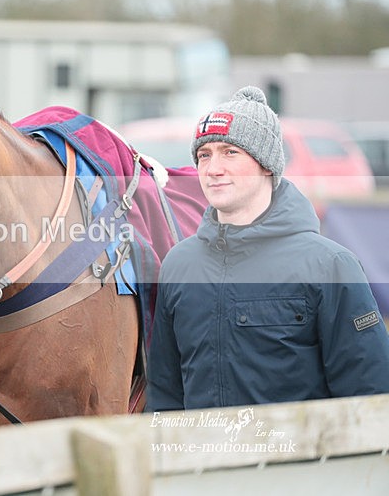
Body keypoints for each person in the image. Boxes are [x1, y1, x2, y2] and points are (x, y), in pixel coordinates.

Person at [147, 86, 389, 411]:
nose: (213, 168)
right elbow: (164, 394)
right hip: (200, 446)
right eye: (204, 155)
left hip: (299, 446)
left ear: (266, 165)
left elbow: (371, 395)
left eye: (230, 152)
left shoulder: (330, 265)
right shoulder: (178, 265)